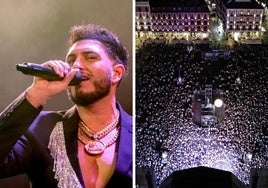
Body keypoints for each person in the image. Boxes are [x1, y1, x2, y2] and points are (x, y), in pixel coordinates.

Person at [0, 24, 132, 188]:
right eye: (71, 60)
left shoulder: (136, 133)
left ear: (117, 73)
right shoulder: (40, 128)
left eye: (90, 57)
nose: (76, 65)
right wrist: (37, 93)